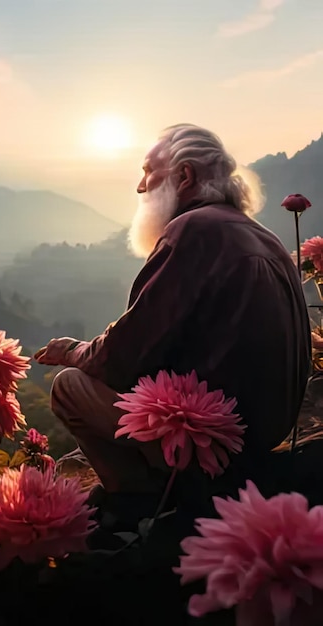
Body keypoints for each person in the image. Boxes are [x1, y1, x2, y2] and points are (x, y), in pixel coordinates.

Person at [34, 123, 311, 522]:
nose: (140, 186)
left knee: (69, 387)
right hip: (264, 432)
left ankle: (134, 500)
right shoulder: (260, 234)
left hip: (209, 442)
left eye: (149, 171)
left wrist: (75, 350)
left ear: (185, 176)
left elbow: (127, 353)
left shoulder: (192, 230)